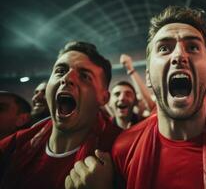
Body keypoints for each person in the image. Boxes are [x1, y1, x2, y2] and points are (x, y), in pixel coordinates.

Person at [67, 6, 206, 189]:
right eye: (164, 48)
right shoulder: (123, 148)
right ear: (149, 77)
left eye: (193, 47)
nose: (179, 55)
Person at [0, 41, 121, 189]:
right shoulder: (14, 146)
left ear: (103, 98)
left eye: (84, 76)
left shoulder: (121, 153)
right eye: (60, 71)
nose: (67, 78)